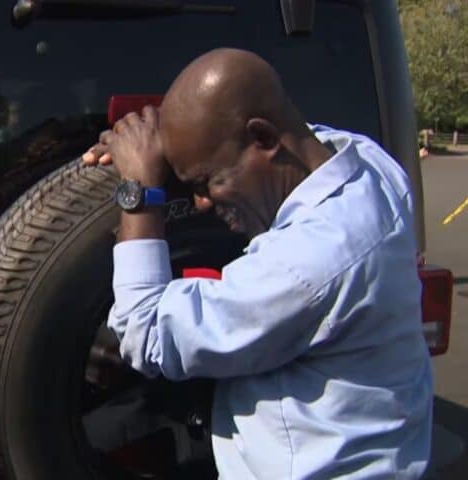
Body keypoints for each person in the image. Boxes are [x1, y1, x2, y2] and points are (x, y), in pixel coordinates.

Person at [82, 49, 432, 479]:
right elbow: (298, 135)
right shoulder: (367, 162)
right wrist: (175, 139)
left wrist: (140, 190)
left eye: (209, 180)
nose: (202, 203)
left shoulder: (310, 265)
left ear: (264, 139)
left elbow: (146, 333)